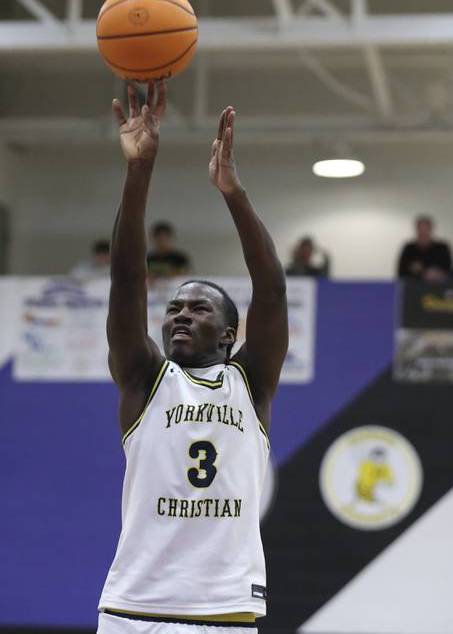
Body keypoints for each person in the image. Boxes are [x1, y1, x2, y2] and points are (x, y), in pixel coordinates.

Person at [97, 81, 288, 634]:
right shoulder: (144, 378)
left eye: (198, 309)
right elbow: (127, 278)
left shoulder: (249, 385)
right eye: (174, 307)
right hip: (136, 604)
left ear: (230, 334)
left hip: (223, 606)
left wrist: (233, 192)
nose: (179, 314)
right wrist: (139, 171)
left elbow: (271, 289)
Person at [396, 215, 453, 281]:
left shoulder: (442, 248)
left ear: (431, 230)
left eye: (426, 230)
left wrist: (437, 273)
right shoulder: (409, 248)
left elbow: (450, 271)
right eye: (420, 230)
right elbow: (400, 272)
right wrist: (412, 269)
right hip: (413, 287)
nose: (423, 233)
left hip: (437, 287)